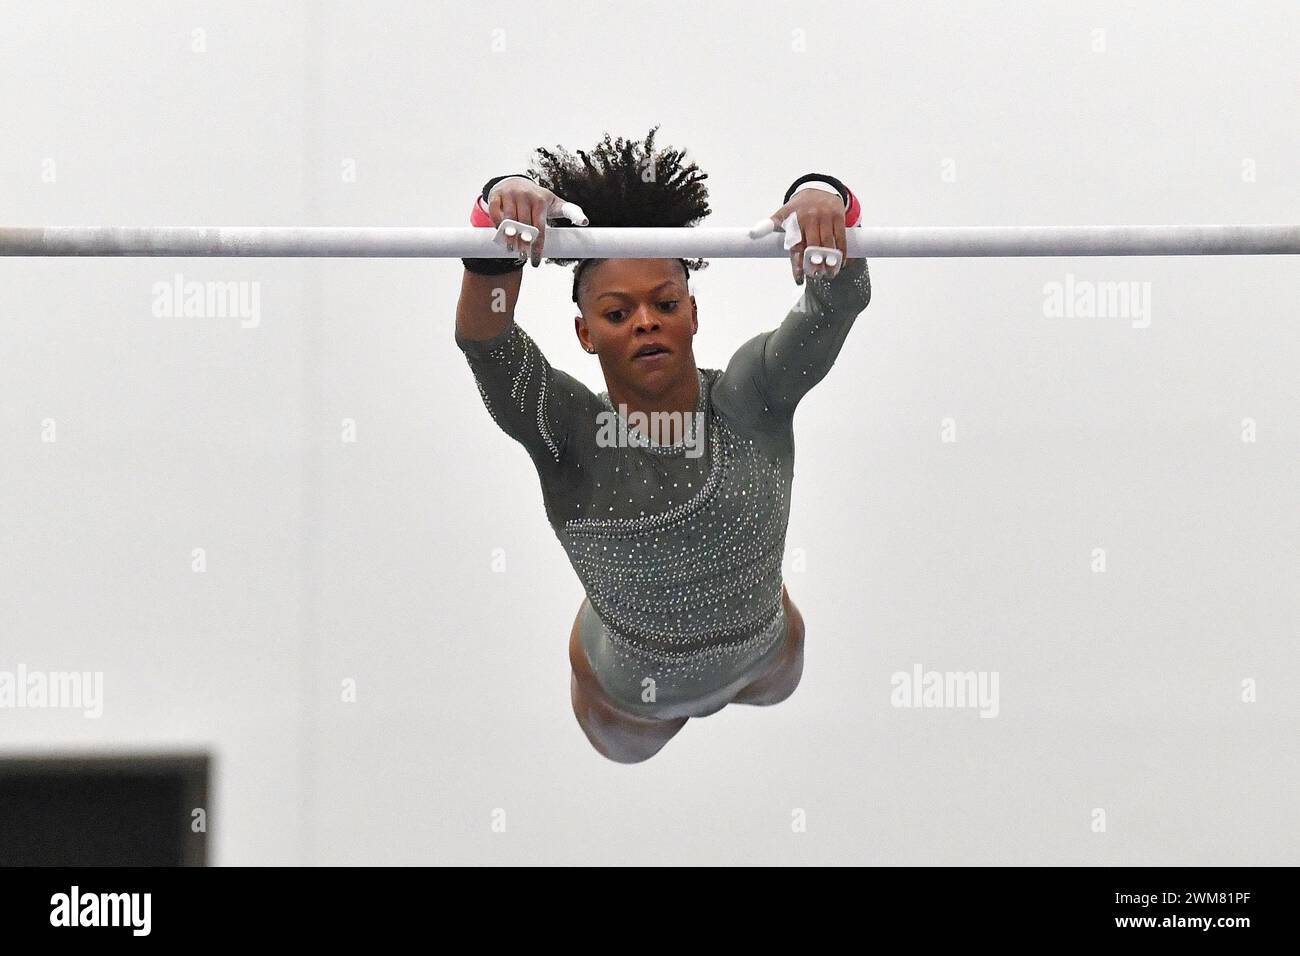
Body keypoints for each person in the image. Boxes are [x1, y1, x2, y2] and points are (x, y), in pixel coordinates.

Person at [454, 126, 871, 763]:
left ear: (693, 313)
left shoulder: (750, 397)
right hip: (628, 699)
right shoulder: (569, 436)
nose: (645, 320)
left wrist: (823, 199)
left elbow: (835, 304)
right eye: (617, 313)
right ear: (585, 333)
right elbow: (487, 341)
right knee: (626, 750)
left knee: (771, 675)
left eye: (665, 302)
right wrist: (498, 227)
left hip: (767, 656)